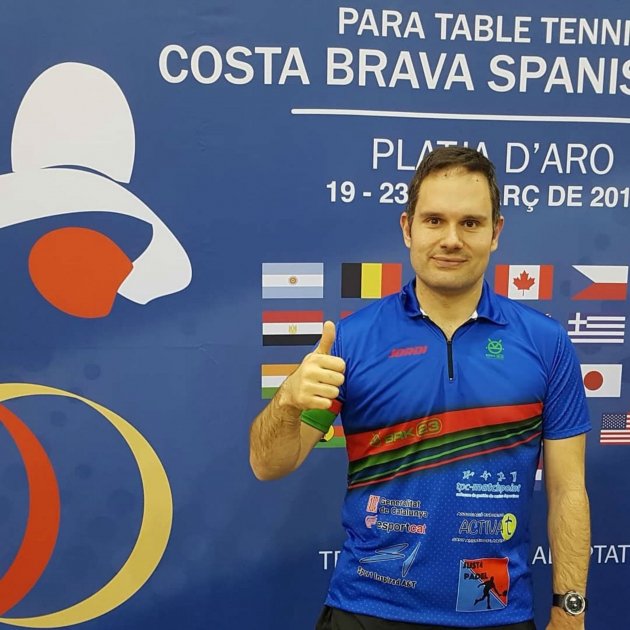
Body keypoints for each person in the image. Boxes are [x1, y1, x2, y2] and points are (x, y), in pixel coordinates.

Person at [249, 147, 590, 630]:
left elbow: (568, 489)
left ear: (496, 233)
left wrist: (570, 610)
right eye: (434, 221)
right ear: (408, 228)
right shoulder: (351, 339)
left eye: (470, 223)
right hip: (367, 609)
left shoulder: (546, 343)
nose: (451, 239)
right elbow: (269, 464)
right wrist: (286, 401)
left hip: (494, 608)